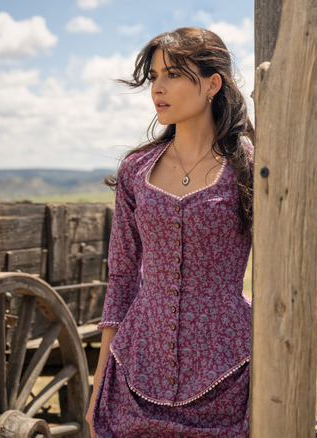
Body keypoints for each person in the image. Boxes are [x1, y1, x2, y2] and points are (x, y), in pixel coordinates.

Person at [86, 27, 255, 437]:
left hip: (227, 371)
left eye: (174, 75)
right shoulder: (136, 170)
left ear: (213, 83)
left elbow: (276, 275)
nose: (158, 88)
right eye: (154, 76)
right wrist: (98, 387)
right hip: (136, 368)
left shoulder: (249, 166)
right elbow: (123, 277)